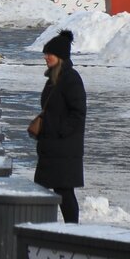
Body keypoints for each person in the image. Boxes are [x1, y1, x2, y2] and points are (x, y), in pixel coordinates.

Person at [33, 30, 87, 224]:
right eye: (46, 54)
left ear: (61, 57)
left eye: (50, 54)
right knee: (45, 190)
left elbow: (78, 112)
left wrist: (59, 130)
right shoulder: (54, 78)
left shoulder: (70, 79)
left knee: (63, 191)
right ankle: (46, 227)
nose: (46, 57)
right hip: (52, 146)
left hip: (63, 147)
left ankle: (72, 230)